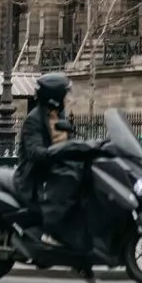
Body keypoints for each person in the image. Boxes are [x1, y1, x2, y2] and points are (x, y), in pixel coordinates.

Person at [14, 72, 84, 253]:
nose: (68, 98)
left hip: (54, 170)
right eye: (65, 94)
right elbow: (35, 152)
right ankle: (50, 233)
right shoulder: (34, 120)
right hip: (36, 176)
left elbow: (68, 142)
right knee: (67, 186)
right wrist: (56, 153)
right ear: (55, 97)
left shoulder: (58, 115)